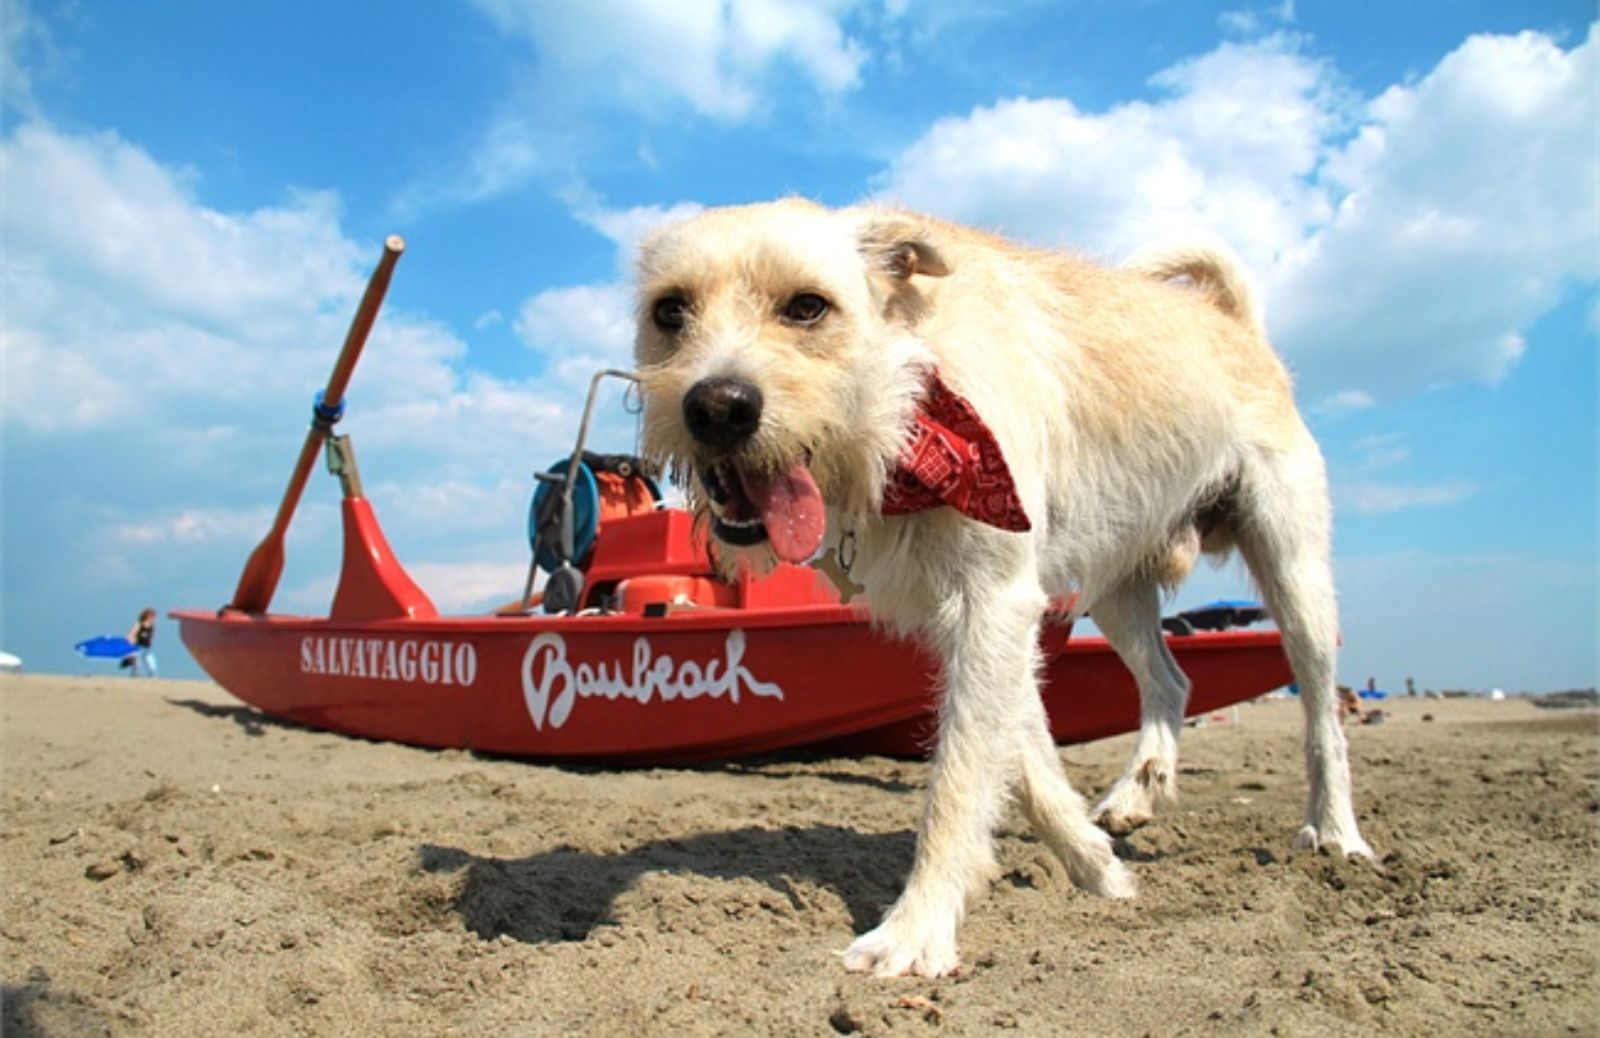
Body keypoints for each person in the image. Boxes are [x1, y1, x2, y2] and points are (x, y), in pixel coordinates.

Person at [123, 607, 157, 678]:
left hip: (147, 648)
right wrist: (129, 640)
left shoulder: (152, 626)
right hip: (138, 647)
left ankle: (152, 677)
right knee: (137, 665)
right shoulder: (139, 624)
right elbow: (132, 633)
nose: (153, 618)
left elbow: (152, 636)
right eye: (152, 616)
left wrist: (151, 642)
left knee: (151, 664)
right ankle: (135, 676)